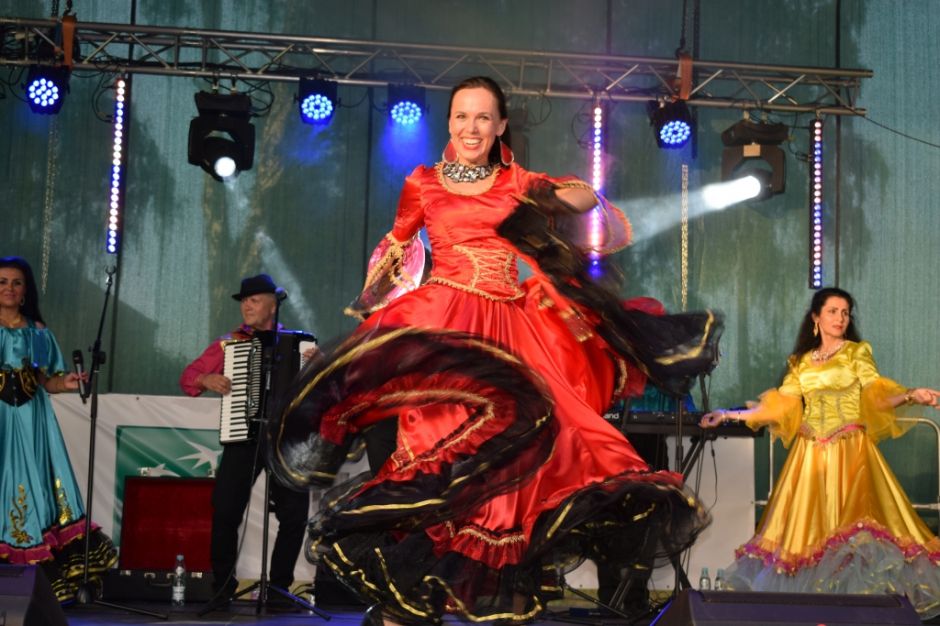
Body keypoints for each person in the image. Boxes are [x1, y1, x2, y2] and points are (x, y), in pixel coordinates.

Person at [269, 76, 723, 626]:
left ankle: (491, 596)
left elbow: (580, 195)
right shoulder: (422, 182)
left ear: (500, 126)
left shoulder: (517, 181)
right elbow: (398, 244)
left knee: (517, 465)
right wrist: (376, 315)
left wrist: (559, 196)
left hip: (508, 331)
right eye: (462, 116)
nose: (471, 127)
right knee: (435, 459)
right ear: (449, 122)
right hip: (445, 331)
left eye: (483, 117)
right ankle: (402, 608)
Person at [701, 286, 940, 618]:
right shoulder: (800, 362)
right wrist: (727, 415)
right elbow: (778, 408)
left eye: (845, 313)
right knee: (805, 539)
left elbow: (877, 396)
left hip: (850, 454)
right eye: (832, 311)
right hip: (809, 458)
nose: (840, 318)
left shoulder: (856, 353)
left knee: (856, 536)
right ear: (816, 317)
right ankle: (816, 615)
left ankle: (855, 616)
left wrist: (912, 394)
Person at [180, 273, 312, 610]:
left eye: (253, 300)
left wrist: (318, 370)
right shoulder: (230, 343)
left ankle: (279, 589)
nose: (246, 306)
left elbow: (323, 391)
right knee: (225, 509)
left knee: (295, 514)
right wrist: (207, 379)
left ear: (273, 305)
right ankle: (222, 587)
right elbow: (188, 378)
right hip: (243, 435)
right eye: (244, 301)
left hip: (284, 442)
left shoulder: (300, 346)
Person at [0, 256, 117, 602]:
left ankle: (29, 585)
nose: (9, 288)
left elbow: (45, 381)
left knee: (31, 487)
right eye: (2, 282)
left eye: (16, 282)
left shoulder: (39, 333)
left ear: (25, 290)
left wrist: (64, 383)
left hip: (32, 422)